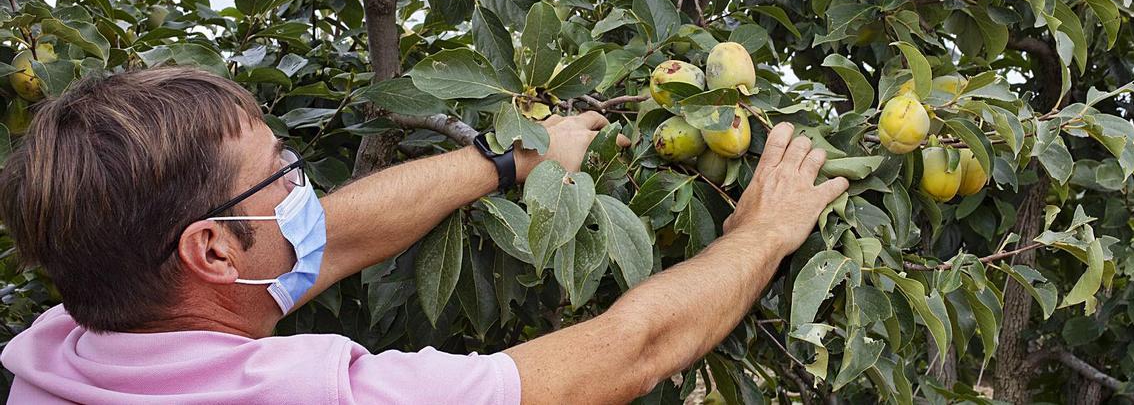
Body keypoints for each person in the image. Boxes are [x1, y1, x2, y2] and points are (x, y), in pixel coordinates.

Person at [0, 67, 849, 404]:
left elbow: (325, 239)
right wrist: (761, 236)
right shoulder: (318, 396)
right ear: (213, 250)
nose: (304, 185)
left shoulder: (59, 345)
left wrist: (513, 156)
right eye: (281, 169)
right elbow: (630, 350)